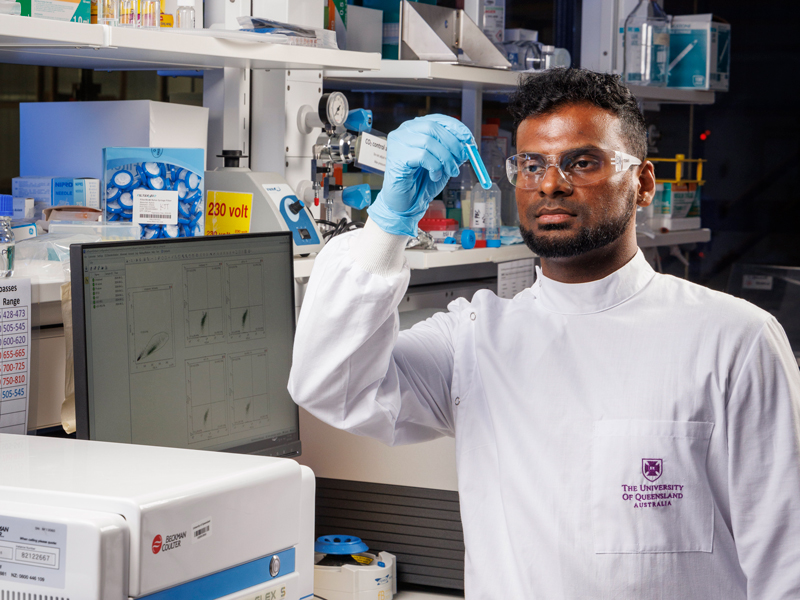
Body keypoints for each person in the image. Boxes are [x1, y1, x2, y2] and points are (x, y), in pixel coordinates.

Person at [289, 68, 800, 598]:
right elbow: (329, 386)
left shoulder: (734, 340)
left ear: (643, 183)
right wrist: (387, 225)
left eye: (582, 162)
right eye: (531, 164)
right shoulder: (473, 339)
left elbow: (788, 561)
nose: (550, 183)